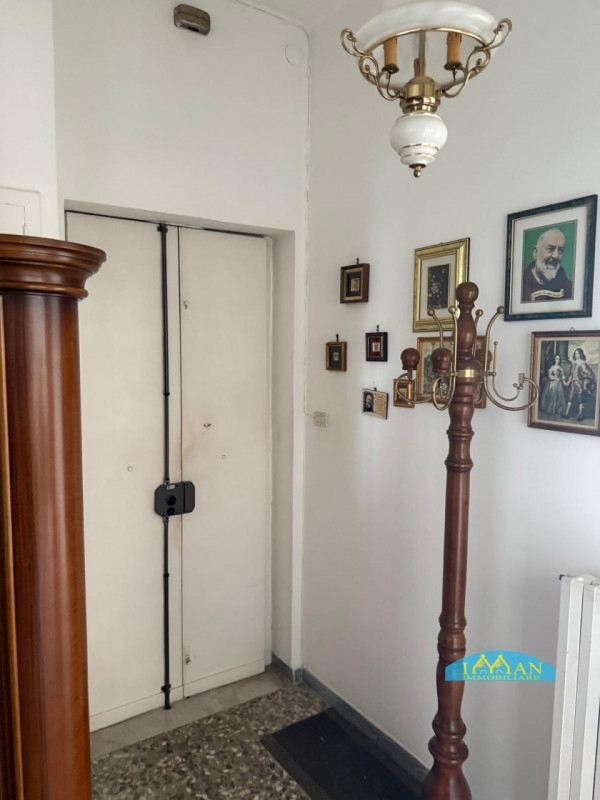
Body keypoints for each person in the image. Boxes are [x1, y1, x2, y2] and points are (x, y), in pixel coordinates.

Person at [522, 228, 573, 302]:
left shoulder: (569, 289)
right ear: (536, 252)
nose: (556, 256)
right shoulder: (520, 285)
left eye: (560, 250)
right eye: (550, 249)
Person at [562, 348, 597, 422]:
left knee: (581, 398)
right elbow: (571, 374)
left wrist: (585, 383)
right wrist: (568, 381)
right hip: (573, 382)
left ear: (580, 354)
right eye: (575, 353)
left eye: (577, 353)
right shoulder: (574, 363)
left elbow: (588, 374)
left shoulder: (582, 363)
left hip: (579, 383)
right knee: (570, 397)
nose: (576, 355)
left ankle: (580, 414)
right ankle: (566, 413)